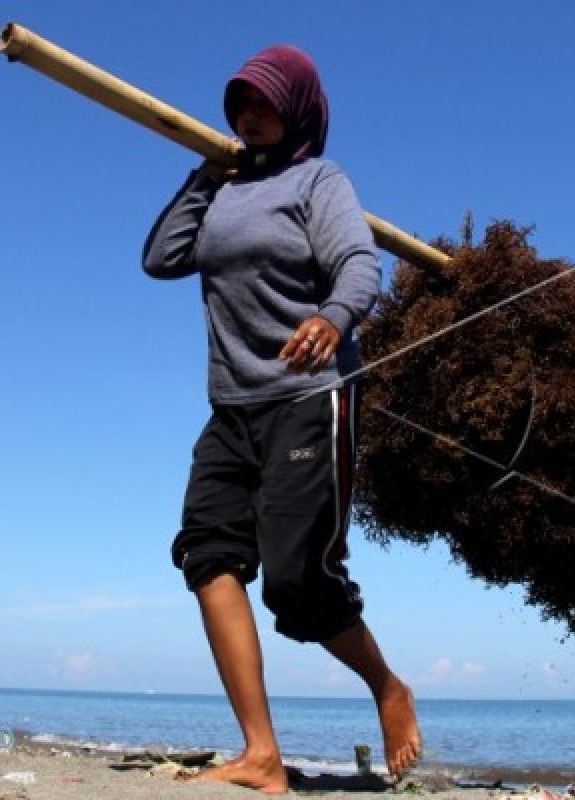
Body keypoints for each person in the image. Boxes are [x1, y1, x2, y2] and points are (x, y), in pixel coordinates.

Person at [142, 44, 421, 792]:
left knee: (296, 582)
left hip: (308, 396)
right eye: (239, 104)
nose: (248, 116)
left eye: (264, 103)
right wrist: (204, 176)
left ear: (297, 109)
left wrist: (333, 317)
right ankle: (261, 753)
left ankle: (389, 689)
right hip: (231, 406)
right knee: (207, 558)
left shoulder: (318, 181)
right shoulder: (224, 190)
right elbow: (162, 258)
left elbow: (361, 263)